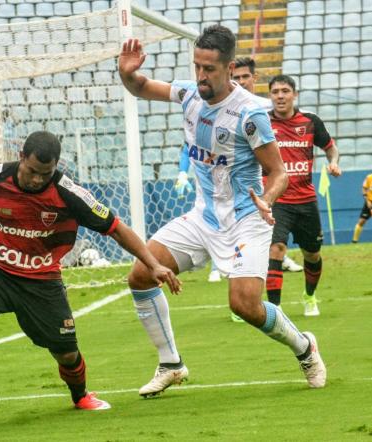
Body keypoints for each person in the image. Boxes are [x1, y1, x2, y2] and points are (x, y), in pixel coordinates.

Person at [0, 131, 180, 416]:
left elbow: (116, 227)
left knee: (66, 353)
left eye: (46, 173)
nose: (38, 179)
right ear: (21, 158)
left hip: (42, 279)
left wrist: (153, 264)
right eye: (32, 171)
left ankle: (80, 396)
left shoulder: (69, 193)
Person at [118, 25, 326, 398]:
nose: (201, 75)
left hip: (247, 218)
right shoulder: (188, 94)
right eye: (197, 66)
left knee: (244, 304)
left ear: (229, 68)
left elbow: (278, 173)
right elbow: (140, 87)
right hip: (204, 216)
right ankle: (171, 363)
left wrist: (268, 198)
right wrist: (127, 72)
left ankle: (305, 348)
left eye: (209, 68)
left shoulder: (250, 114)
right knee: (141, 274)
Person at [264, 75, 341, 316]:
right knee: (275, 249)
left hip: (306, 201)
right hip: (277, 200)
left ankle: (309, 296)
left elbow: (330, 147)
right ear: (270, 96)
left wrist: (334, 163)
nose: (280, 95)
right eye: (275, 91)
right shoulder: (263, 122)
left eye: (285, 91)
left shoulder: (310, 122)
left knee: (312, 254)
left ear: (294, 95)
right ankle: (275, 311)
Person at [232, 57, 303, 274]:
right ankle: (225, 265)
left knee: (272, 229)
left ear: (255, 78)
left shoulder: (265, 108)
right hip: (245, 181)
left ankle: (279, 258)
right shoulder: (226, 108)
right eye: (236, 77)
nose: (241, 82)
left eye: (245, 76)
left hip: (272, 179)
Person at [351, 173, 372, 243]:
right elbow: (364, 188)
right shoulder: (369, 177)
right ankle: (354, 241)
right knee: (361, 221)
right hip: (369, 202)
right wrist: (367, 200)